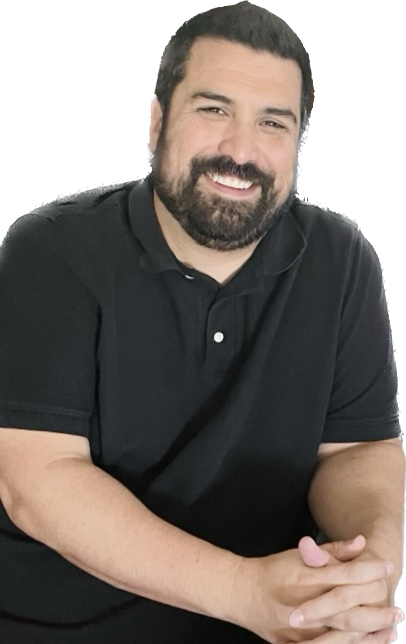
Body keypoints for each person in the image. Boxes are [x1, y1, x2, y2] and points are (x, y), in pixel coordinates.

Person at [0, 2, 404, 643]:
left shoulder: (342, 258)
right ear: (157, 122)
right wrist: (245, 592)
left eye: (272, 123)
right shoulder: (51, 250)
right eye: (214, 110)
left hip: (273, 628)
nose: (241, 150)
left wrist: (364, 572)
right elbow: (34, 479)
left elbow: (356, 450)